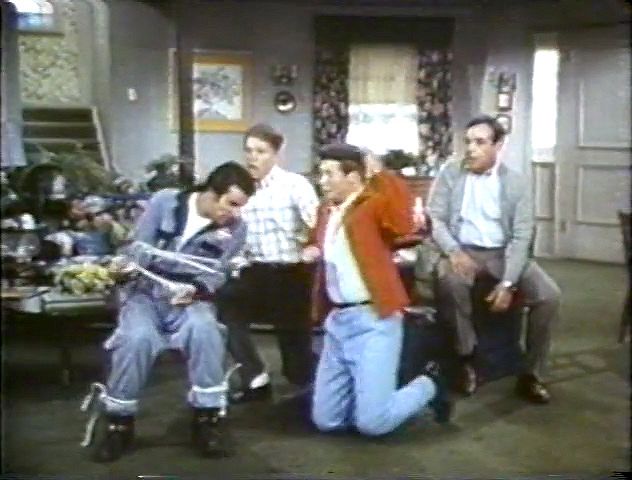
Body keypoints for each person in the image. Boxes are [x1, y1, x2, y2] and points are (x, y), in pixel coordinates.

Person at [80, 162, 256, 462]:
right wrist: (123, 269)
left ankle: (207, 419)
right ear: (211, 193)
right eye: (232, 204)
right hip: (145, 294)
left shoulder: (236, 229)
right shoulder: (166, 202)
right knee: (136, 338)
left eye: (241, 206)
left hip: (189, 298)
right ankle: (118, 423)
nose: (235, 213)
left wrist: (196, 289)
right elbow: (137, 248)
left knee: (205, 331)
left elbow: (219, 273)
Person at [307, 143, 452, 437]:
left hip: (374, 320)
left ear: (352, 177)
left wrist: (381, 174)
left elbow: (402, 223)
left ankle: (430, 384)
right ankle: (366, 396)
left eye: (329, 174)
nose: (322, 181)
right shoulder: (326, 212)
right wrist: (311, 248)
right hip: (338, 322)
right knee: (327, 420)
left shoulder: (372, 204)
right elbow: (324, 246)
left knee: (372, 423)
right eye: (320, 174)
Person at [427, 114, 561, 403]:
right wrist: (453, 251)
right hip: (462, 250)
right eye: (468, 142)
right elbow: (435, 218)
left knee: (549, 295)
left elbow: (522, 237)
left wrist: (508, 283)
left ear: (498, 146)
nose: (471, 149)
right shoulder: (450, 173)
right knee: (450, 282)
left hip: (504, 253)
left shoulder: (516, 183)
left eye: (480, 142)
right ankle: (466, 358)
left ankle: (532, 374)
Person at [216, 123, 319, 402]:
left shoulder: (295, 185)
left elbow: (317, 226)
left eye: (260, 151)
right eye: (249, 151)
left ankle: (309, 378)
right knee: (224, 305)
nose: (253, 158)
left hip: (290, 273)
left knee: (297, 368)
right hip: (253, 272)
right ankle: (255, 377)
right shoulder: (240, 191)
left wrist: (312, 248)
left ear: (276, 153)